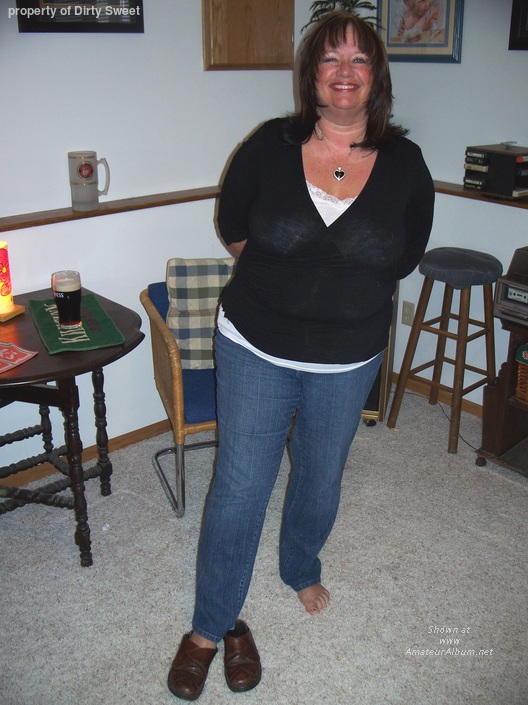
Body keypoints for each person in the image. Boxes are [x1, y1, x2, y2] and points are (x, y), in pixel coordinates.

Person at [167, 10, 434, 701]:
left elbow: (405, 252)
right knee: (240, 484)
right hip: (256, 343)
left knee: (320, 475)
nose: (345, 73)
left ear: (376, 77)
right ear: (311, 75)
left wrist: (337, 289)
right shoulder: (269, 145)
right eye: (330, 59)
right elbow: (233, 225)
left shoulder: (406, 163)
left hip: (347, 356)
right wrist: (288, 283)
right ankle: (209, 626)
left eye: (359, 60)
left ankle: (300, 565)